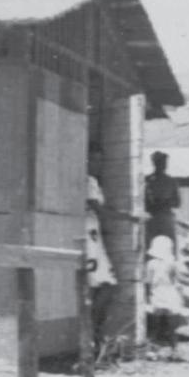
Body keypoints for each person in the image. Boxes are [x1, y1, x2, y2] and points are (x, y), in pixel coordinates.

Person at [85, 145, 117, 357]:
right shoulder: (87, 181)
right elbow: (98, 209)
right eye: (94, 160)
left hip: (95, 234)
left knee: (104, 286)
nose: (98, 164)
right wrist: (129, 217)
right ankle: (92, 334)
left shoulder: (94, 182)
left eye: (100, 160)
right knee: (103, 284)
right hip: (88, 235)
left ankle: (94, 334)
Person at [145, 235, 184, 351]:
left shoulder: (150, 264)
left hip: (156, 293)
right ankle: (174, 348)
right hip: (170, 293)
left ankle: (153, 348)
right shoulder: (172, 263)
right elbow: (176, 279)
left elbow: (148, 281)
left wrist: (147, 296)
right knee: (171, 325)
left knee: (155, 323)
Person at [144, 151, 181, 245]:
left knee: (170, 245)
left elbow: (177, 203)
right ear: (155, 164)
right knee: (151, 247)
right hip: (153, 218)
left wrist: (166, 202)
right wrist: (156, 204)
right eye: (160, 162)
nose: (163, 165)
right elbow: (145, 204)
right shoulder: (148, 181)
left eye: (164, 162)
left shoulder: (171, 181)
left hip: (167, 219)